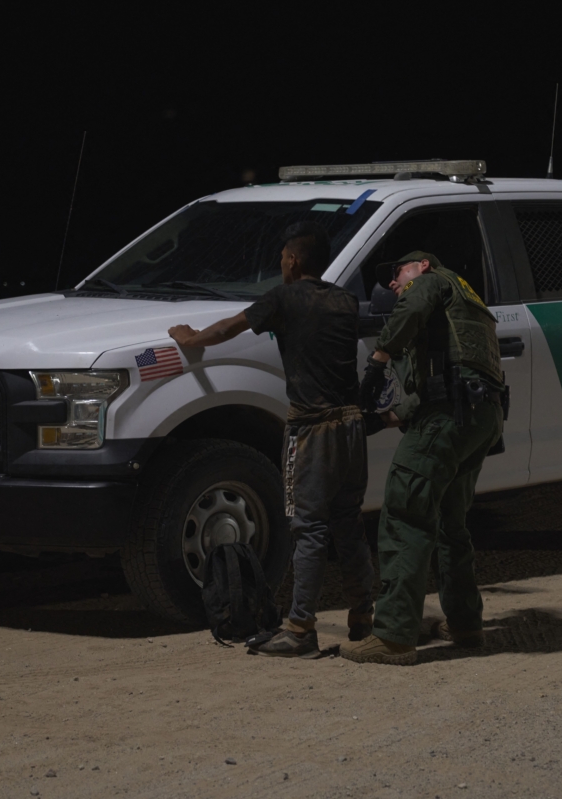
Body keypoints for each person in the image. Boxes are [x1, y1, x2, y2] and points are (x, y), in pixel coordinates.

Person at [168, 220, 375, 658]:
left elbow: (228, 328)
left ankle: (300, 629)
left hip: (313, 428)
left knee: (309, 528)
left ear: (293, 260)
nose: (280, 264)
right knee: (349, 524)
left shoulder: (283, 297)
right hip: (352, 427)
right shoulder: (345, 299)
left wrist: (188, 338)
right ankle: (363, 618)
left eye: (282, 257)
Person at [340, 251, 505, 666]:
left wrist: (376, 363)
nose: (394, 284)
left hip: (451, 414)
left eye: (398, 273)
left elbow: (411, 308)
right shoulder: (467, 301)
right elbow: (448, 379)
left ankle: (393, 635)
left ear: (423, 266)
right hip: (480, 415)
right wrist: (387, 418)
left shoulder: (432, 283)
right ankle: (466, 623)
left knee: (404, 511)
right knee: (451, 521)